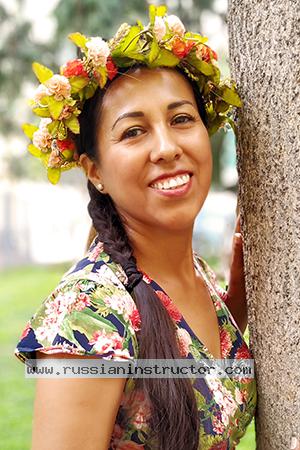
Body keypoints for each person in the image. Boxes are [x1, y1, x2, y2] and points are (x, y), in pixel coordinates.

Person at [15, 5, 258, 450]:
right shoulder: (88, 316)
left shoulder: (195, 275)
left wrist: (237, 305)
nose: (166, 147)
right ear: (95, 172)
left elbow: (193, 373)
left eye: (181, 119)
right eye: (133, 132)